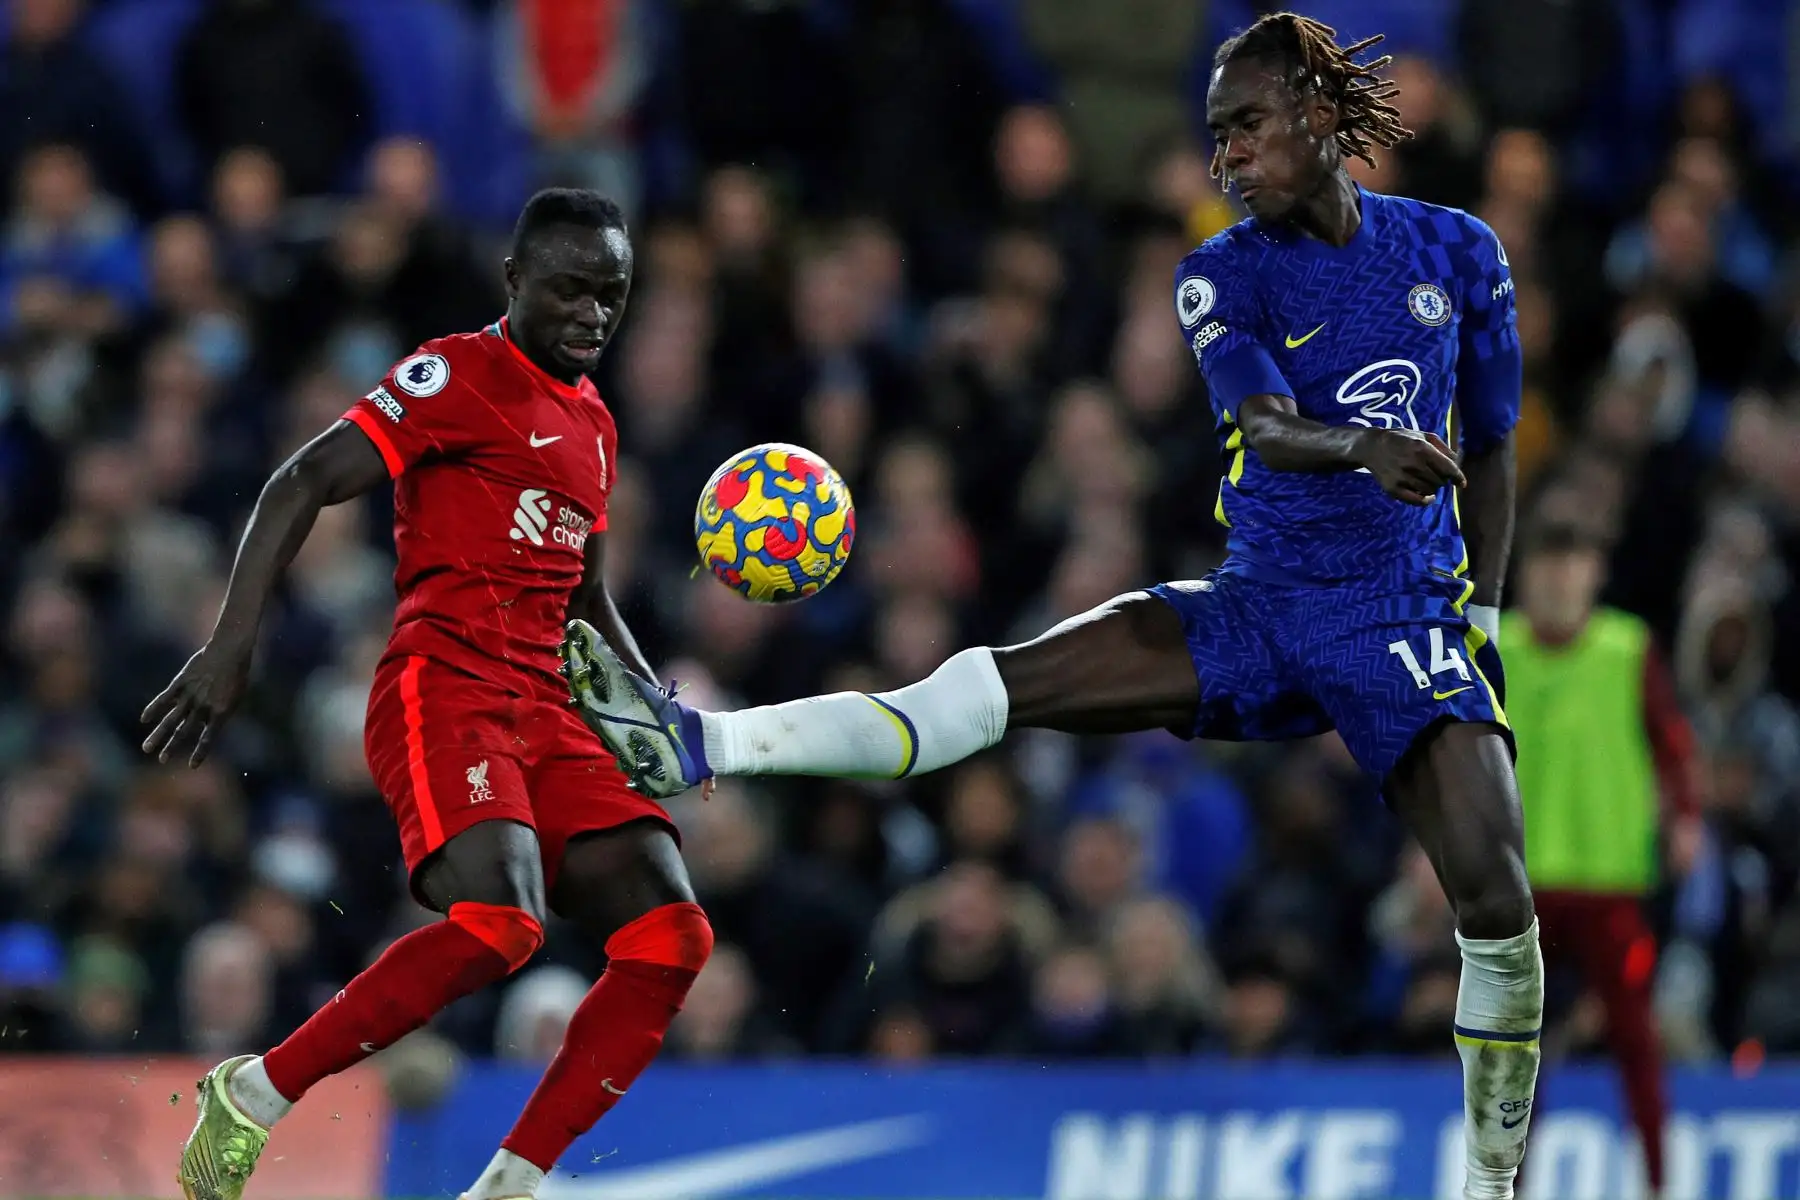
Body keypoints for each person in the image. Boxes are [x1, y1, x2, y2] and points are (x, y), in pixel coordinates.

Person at [567, 14, 1542, 1200]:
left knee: (1496, 903)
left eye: (1246, 127)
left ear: (1322, 119)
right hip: (1261, 602)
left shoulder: (1457, 252)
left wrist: (1478, 629)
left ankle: (1495, 1181)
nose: (1227, 157)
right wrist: (1359, 446)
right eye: (1214, 135)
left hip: (1397, 618)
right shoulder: (1218, 271)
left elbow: (1490, 449)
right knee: (996, 683)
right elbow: (1266, 428)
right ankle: (702, 741)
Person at [142, 189, 713, 1200]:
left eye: (611, 297)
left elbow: (586, 594)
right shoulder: (457, 373)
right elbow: (301, 479)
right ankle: (259, 1093)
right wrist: (232, 646)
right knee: (504, 925)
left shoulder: (596, 426)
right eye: (570, 289)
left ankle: (513, 1179)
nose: (592, 314)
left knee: (674, 934)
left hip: (546, 706)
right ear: (514, 281)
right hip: (443, 686)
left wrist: (650, 709)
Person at [1504, 509, 1698, 1196]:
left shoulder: (1626, 649)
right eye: (1547, 567)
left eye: (1573, 565)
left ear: (1596, 574)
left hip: (1609, 884)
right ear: (1524, 574)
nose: (1559, 582)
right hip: (1523, 888)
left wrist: (1685, 816)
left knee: (1637, 1046)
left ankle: (1657, 1179)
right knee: (1515, 1058)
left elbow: (1670, 739)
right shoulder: (1498, 651)